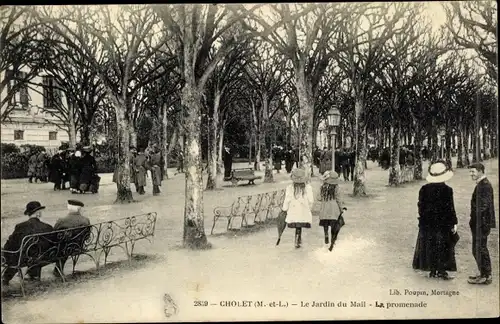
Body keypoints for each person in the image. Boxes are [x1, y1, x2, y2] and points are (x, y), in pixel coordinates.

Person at [412, 161, 458, 280]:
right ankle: (442, 270)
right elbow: (450, 208)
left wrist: (423, 219)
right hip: (443, 223)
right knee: (443, 245)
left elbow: (420, 206)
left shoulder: (424, 189)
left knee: (429, 244)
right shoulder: (447, 190)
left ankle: (432, 270)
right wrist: (453, 222)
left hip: (427, 223)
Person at [2, 201, 54, 286]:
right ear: (38, 214)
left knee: (14, 254)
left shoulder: (20, 226)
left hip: (25, 259)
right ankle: (33, 275)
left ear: (29, 214)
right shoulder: (47, 227)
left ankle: (5, 279)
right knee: (31, 251)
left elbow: (11, 244)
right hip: (44, 257)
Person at [467, 163, 496, 285]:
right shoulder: (482, 184)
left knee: (480, 249)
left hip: (482, 223)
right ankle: (483, 273)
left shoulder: (484, 185)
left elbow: (482, 207)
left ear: (480, 171)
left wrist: (476, 221)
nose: (471, 174)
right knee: (478, 249)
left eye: (473, 172)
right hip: (480, 223)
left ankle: (486, 275)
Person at [52, 200, 90, 277]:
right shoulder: (85, 220)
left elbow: (53, 235)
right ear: (79, 209)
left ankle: (58, 269)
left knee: (61, 244)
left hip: (63, 249)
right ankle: (57, 269)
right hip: (78, 247)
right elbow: (87, 236)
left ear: (69, 208)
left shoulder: (61, 221)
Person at [282, 168, 314, 248]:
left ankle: (297, 238)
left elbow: (287, 199)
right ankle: (298, 238)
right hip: (303, 209)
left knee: (297, 223)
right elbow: (311, 200)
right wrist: (309, 208)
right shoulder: (308, 187)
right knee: (300, 222)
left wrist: (285, 209)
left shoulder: (290, 187)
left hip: (294, 210)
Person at [318, 171, 347, 247]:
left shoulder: (322, 187)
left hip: (324, 210)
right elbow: (339, 200)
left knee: (326, 224)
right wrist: (341, 209)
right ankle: (332, 242)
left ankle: (326, 235)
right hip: (334, 210)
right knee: (334, 226)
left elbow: (318, 198)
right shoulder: (337, 187)